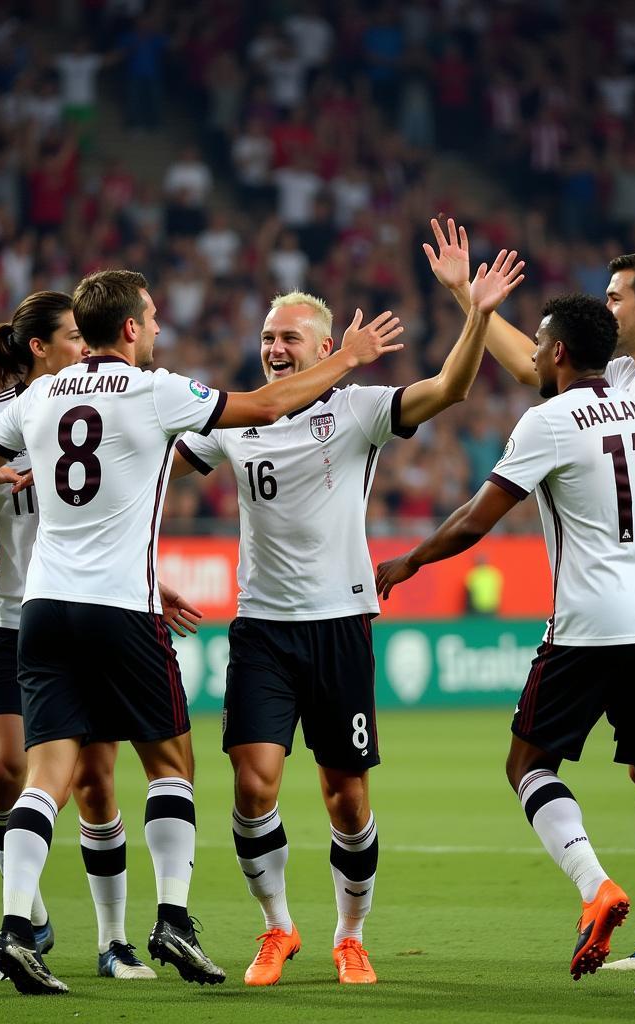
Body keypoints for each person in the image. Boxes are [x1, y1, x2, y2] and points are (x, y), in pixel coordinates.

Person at [0, 269, 405, 996]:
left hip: (45, 610)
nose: (157, 330)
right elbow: (267, 404)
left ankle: (15, 929)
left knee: (47, 775)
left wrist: (19, 476)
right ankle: (174, 922)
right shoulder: (154, 389)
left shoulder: (33, 397)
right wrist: (346, 359)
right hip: (122, 606)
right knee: (171, 766)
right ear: (128, 328)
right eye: (150, 319)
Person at [168, 250, 524, 987]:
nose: (274, 348)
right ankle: (276, 927)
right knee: (252, 782)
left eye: (290, 339)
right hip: (263, 626)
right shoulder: (234, 420)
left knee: (346, 796)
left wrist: (475, 309)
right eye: (269, 337)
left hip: (340, 625)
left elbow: (451, 388)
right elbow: (152, 470)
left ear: (326, 349)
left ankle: (350, 934)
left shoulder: (357, 409)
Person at [425, 223, 635, 973]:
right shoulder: (614, 379)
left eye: (616, 296)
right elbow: (533, 363)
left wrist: (626, 468)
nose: (606, 306)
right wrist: (467, 296)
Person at [0, 290, 163, 980]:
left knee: (96, 782)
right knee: (7, 771)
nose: (83, 347)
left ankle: (114, 940)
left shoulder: (104, 401)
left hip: (92, 610)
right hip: (16, 622)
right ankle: (29, 916)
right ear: (40, 347)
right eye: (71, 337)